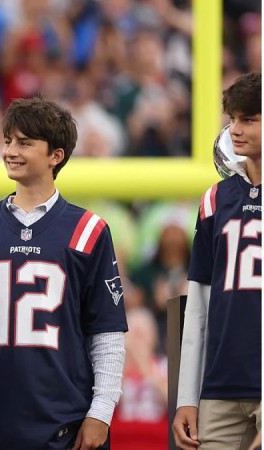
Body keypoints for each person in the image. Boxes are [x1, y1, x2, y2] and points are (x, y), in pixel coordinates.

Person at [0, 97, 127, 450]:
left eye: (25, 143)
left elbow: (106, 331)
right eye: (8, 140)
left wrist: (101, 412)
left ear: (56, 155)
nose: (11, 150)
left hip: (66, 421)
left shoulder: (89, 230)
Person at [172, 72, 262, 450]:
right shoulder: (215, 199)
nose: (235, 129)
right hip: (220, 384)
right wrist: (186, 397)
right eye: (232, 119)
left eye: (248, 119)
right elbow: (198, 306)